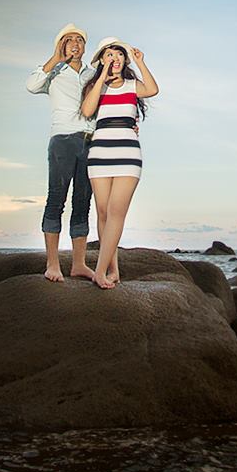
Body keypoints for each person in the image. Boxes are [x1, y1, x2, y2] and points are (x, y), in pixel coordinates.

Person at [79, 38, 158, 289]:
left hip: (127, 154)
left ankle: (99, 272)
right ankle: (113, 270)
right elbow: (88, 111)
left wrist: (140, 61)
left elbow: (153, 89)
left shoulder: (133, 86)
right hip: (100, 152)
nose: (115, 59)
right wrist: (101, 77)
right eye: (109, 55)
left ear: (124, 60)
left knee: (116, 212)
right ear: (102, 60)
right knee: (102, 212)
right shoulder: (96, 87)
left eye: (119, 55)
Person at [25, 23, 98, 283]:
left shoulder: (94, 73)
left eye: (80, 40)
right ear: (61, 45)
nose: (75, 44)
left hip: (91, 141)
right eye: (69, 40)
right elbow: (32, 85)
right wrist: (56, 58)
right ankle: (52, 264)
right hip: (62, 140)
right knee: (56, 199)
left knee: (83, 201)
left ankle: (79, 264)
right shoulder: (54, 71)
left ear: (85, 46)